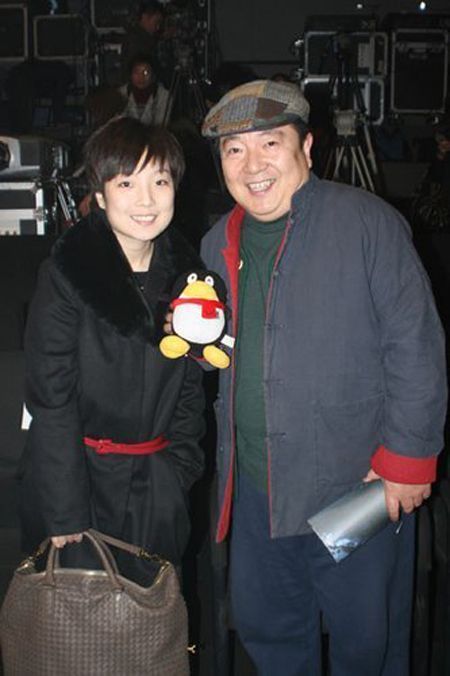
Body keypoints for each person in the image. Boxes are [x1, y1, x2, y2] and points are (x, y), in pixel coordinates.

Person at [199, 80, 447, 676]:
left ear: (306, 147)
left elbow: (415, 343)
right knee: (272, 635)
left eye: (270, 143)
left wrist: (409, 459)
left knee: (367, 642)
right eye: (234, 150)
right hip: (256, 491)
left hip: (355, 487)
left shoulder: (367, 223)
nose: (252, 165)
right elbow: (224, 350)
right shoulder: (215, 243)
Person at [18, 117, 205, 582]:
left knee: (154, 615)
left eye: (159, 181)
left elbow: (191, 390)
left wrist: (177, 474)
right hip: (80, 485)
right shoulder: (67, 274)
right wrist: (65, 509)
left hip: (156, 485)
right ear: (100, 196)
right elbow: (51, 394)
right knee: (77, 619)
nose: (146, 200)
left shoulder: (190, 279)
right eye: (126, 183)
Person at [119, 54, 170, 126]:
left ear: (153, 75)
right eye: (136, 72)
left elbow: (161, 125)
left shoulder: (163, 96)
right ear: (131, 75)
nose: (141, 77)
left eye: (146, 72)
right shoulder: (121, 94)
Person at [121, 1, 165, 85]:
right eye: (156, 22)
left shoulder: (144, 38)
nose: (157, 27)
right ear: (145, 17)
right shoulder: (137, 41)